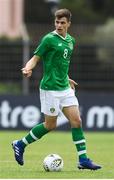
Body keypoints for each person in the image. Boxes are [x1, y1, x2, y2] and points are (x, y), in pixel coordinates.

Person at [12, 8, 101, 170]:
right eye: (57, 22)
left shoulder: (71, 41)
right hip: (50, 89)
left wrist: (67, 78)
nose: (59, 25)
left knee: (77, 121)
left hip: (65, 88)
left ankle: (83, 160)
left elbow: (60, 63)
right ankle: (20, 144)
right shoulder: (49, 39)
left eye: (62, 22)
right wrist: (27, 68)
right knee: (50, 125)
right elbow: (36, 58)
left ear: (68, 24)